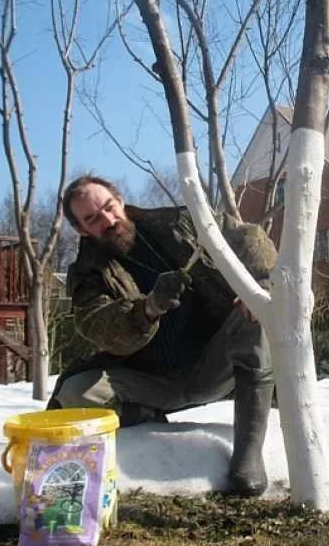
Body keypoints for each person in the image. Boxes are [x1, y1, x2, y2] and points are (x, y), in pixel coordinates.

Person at [47, 175, 277, 497]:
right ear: (81, 229)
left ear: (120, 200)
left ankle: (248, 456)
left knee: (255, 314)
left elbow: (248, 237)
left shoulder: (180, 222)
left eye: (109, 207)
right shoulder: (88, 275)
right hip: (153, 382)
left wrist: (260, 284)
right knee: (75, 392)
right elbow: (99, 326)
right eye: (93, 219)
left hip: (214, 366)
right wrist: (148, 308)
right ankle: (144, 415)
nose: (108, 220)